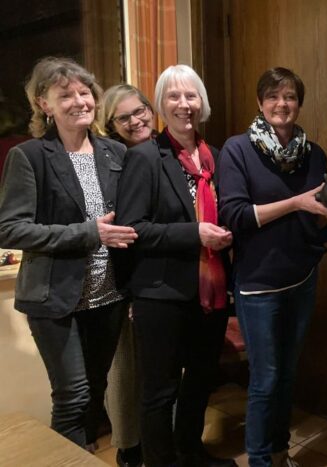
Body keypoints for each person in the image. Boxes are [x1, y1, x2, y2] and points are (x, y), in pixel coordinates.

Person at [0, 57, 137, 449]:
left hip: (107, 297)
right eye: (66, 95)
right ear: (44, 104)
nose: (79, 101)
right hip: (54, 299)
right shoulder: (29, 157)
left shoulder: (115, 152)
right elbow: (10, 228)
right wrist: (88, 233)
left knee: (95, 393)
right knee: (72, 397)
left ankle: (85, 454)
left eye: (84, 92)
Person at [114, 64, 235, 467]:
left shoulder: (213, 157)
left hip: (210, 293)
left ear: (202, 102)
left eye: (191, 96)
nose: (184, 104)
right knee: (159, 391)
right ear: (161, 105)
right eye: (174, 97)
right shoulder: (145, 157)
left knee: (200, 382)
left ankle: (191, 451)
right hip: (161, 293)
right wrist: (194, 233)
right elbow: (134, 229)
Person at [217, 67, 327, 467]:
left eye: (291, 97)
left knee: (286, 375)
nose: (283, 104)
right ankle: (260, 460)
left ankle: (280, 453)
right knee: (264, 380)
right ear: (260, 103)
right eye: (274, 96)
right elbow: (234, 215)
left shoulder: (314, 153)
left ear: (299, 103)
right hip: (257, 284)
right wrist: (297, 203)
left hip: (301, 277)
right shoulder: (237, 149)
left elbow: (314, 215)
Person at [101, 83, 156, 467]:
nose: (136, 120)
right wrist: (133, 288)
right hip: (121, 281)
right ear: (111, 125)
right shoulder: (113, 162)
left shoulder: (162, 153)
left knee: (155, 373)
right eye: (125, 117)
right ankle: (128, 450)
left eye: (140, 111)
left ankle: (154, 444)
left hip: (158, 281)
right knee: (124, 371)